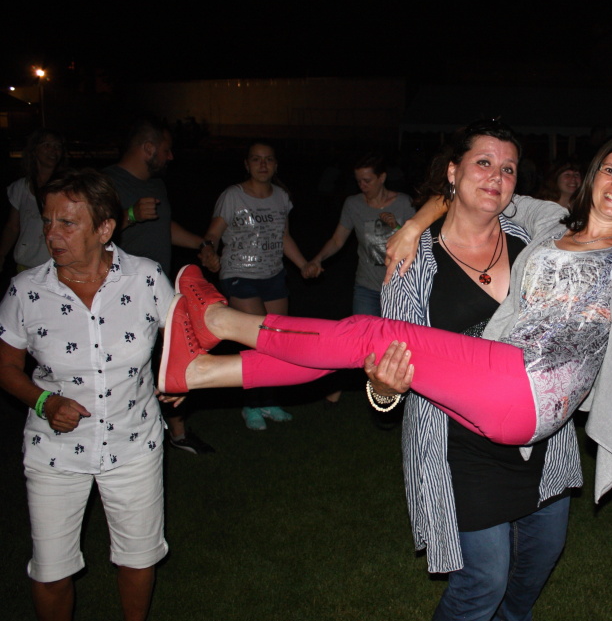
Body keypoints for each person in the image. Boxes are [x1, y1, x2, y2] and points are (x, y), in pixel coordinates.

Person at [159, 136, 612, 503]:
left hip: (532, 393)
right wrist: (414, 224)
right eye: (611, 169)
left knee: (368, 334)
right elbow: (469, 192)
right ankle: (200, 370)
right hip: (502, 381)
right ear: (594, 177)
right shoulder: (548, 220)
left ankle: (217, 316)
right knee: (365, 348)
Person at [362, 121, 577, 621]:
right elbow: (393, 362)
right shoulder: (413, 259)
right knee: (482, 580)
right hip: (458, 445)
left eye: (508, 168)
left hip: (539, 434)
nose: (496, 177)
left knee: (543, 550)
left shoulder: (534, 243)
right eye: (483, 163)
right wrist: (384, 388)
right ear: (453, 172)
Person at [0, 169, 176, 621]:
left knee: (138, 555)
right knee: (51, 569)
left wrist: (177, 378)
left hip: (134, 443)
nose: (51, 234)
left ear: (104, 228)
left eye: (68, 223)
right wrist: (44, 400)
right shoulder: (26, 291)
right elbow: (7, 367)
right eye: (47, 220)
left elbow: (181, 336)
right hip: (55, 451)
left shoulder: (145, 278)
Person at [104, 116, 215, 455]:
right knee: (126, 366)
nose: (170, 157)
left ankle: (177, 433)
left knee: (170, 358)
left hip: (158, 290)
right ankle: (122, 434)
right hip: (118, 295)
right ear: (148, 148)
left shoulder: (156, 185)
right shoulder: (106, 183)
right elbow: (90, 232)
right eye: (166, 150)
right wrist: (130, 215)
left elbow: (164, 227)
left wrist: (201, 244)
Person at [202, 140, 313, 430]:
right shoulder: (232, 196)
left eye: (268, 159)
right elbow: (213, 233)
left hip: (273, 275)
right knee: (257, 338)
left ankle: (269, 400)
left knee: (276, 341)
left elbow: (283, 237)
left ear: (275, 165)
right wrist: (209, 250)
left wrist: (303, 264)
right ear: (247, 164)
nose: (262, 165)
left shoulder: (281, 197)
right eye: (256, 159)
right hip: (239, 274)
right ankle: (250, 404)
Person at [302, 152, 415, 410]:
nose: (362, 186)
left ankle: (397, 395)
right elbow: (337, 240)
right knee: (358, 341)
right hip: (366, 286)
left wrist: (396, 227)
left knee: (396, 345)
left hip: (398, 287)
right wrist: (317, 259)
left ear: (382, 178)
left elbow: (418, 244)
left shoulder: (403, 203)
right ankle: (336, 388)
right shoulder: (353, 204)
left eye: (367, 180)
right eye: (358, 181)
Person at [1, 128, 68, 271]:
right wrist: (1, 254)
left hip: (57, 264)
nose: (53, 150)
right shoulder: (20, 187)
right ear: (34, 150)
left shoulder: (68, 187)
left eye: (57, 146)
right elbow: (13, 226)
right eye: (47, 145)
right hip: (26, 263)